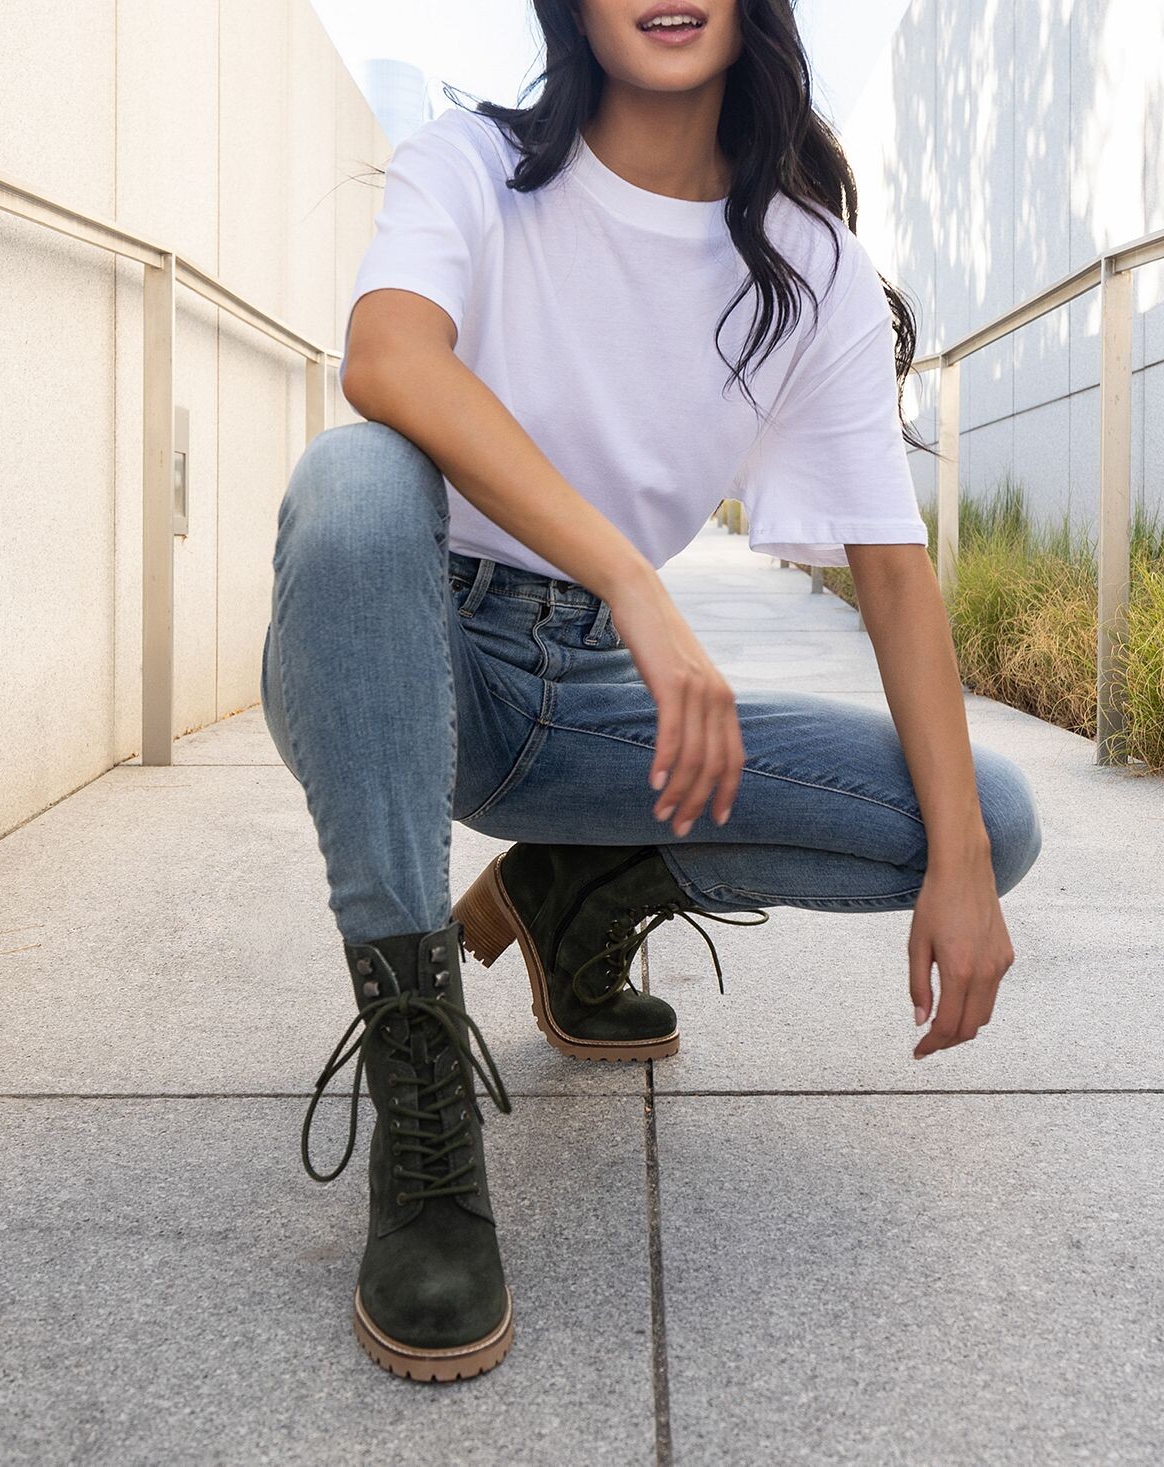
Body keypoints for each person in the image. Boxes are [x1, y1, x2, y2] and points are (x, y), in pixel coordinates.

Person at [260, 0, 1043, 1384]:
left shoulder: (805, 261)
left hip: (589, 708)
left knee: (985, 818)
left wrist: (967, 869)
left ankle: (571, 895)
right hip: (404, 652)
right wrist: (630, 577)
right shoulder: (473, 168)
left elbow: (892, 567)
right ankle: (423, 1095)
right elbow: (387, 358)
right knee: (354, 479)